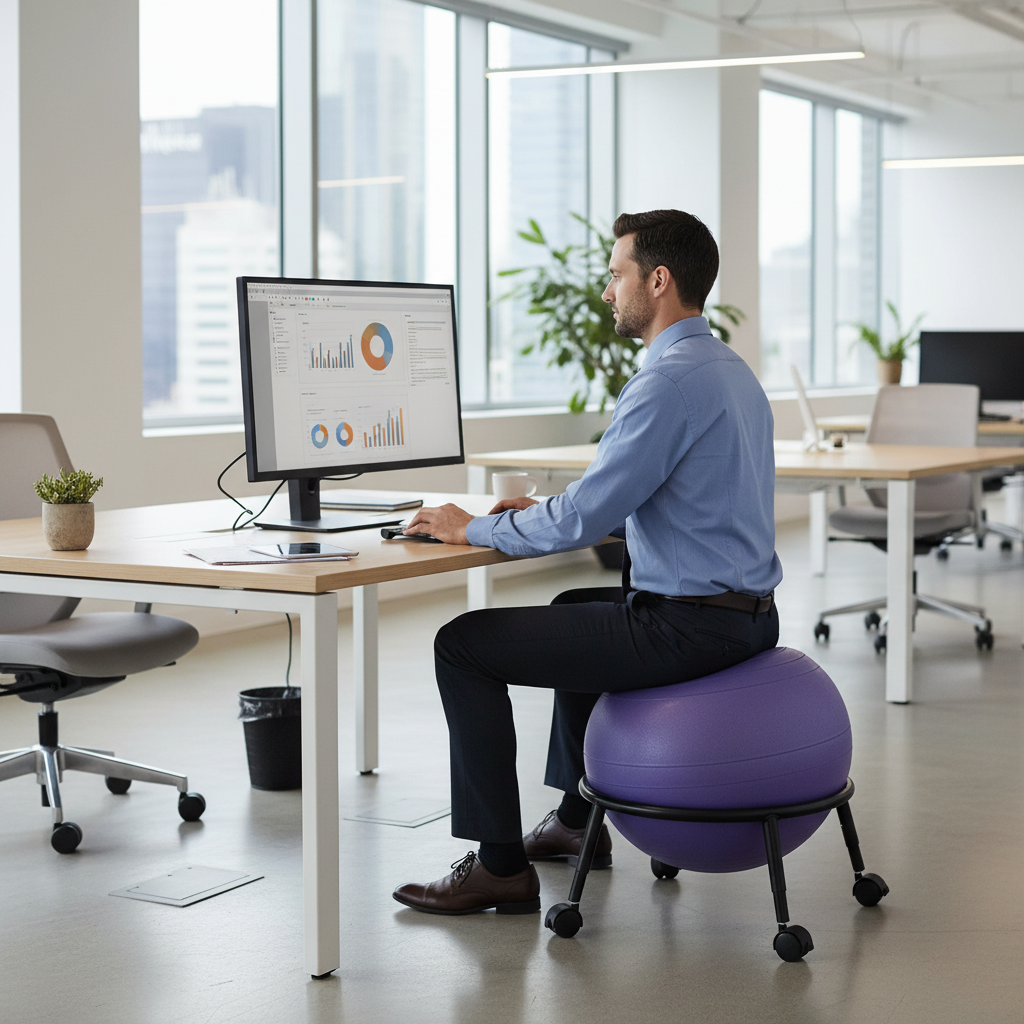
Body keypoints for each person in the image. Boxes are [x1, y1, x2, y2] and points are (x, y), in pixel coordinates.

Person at [392, 209, 783, 916]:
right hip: (749, 618)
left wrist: (470, 526)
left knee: (461, 646)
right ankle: (577, 825)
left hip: (690, 630)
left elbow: (583, 520)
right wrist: (520, 516)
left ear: (657, 281)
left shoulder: (665, 382)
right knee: (574, 610)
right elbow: (651, 496)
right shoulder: (729, 369)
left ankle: (499, 866)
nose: (607, 292)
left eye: (615, 275)